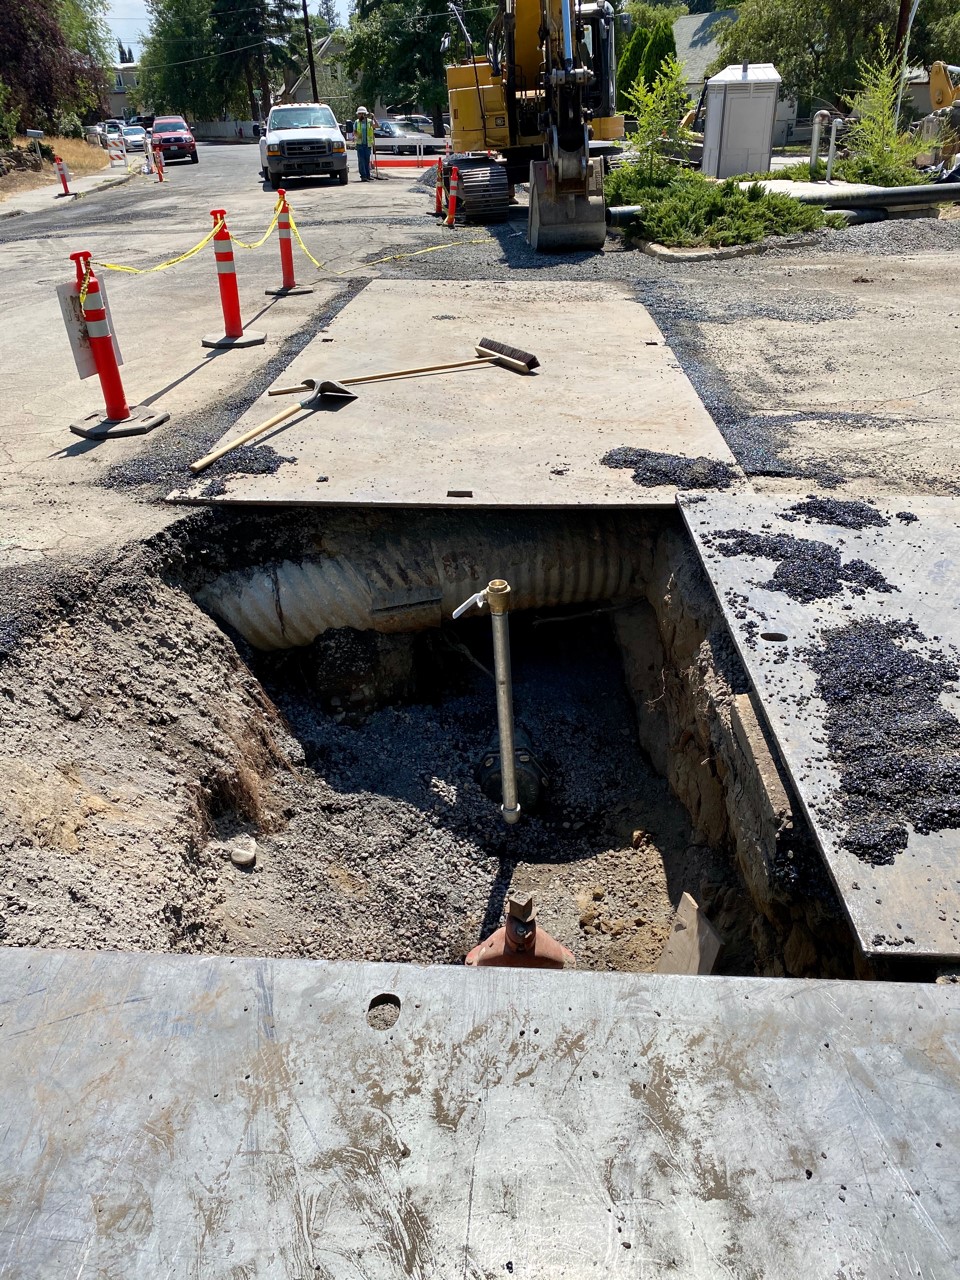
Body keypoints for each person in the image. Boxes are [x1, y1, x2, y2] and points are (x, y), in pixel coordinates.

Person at [354, 106, 374, 181]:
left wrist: (373, 118)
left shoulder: (369, 121)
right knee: (361, 161)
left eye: (362, 114)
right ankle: (363, 176)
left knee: (367, 160)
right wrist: (357, 135)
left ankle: (368, 175)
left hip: (367, 144)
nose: (360, 115)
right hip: (360, 144)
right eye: (359, 114)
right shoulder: (357, 122)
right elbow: (354, 132)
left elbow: (376, 126)